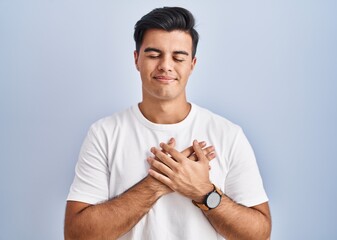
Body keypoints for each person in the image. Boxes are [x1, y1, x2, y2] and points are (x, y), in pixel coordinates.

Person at [64, 6, 271, 240]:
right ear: (136, 60)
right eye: (154, 55)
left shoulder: (227, 134)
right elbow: (76, 234)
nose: (165, 65)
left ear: (192, 64)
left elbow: (259, 234)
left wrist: (204, 192)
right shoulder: (104, 133)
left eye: (178, 57)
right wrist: (157, 184)